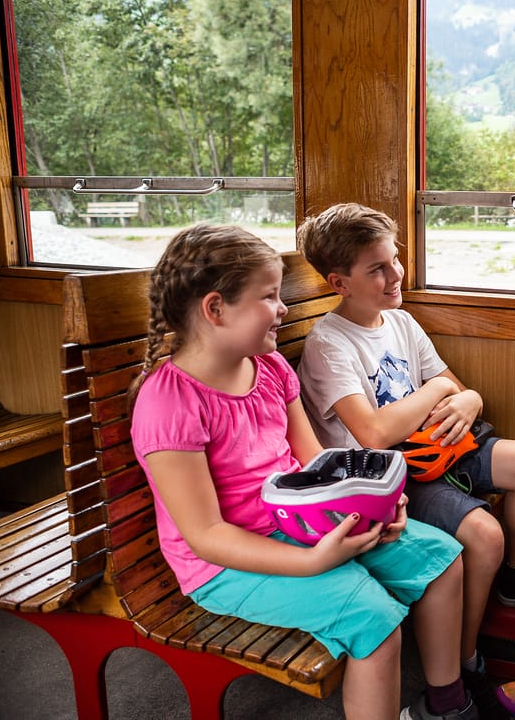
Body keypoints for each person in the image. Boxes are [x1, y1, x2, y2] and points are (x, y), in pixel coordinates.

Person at [128, 224, 476, 720]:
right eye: (269, 297)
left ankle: (447, 705)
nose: (283, 308)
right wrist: (313, 563)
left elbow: (320, 467)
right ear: (215, 309)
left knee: (443, 559)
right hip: (226, 564)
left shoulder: (269, 369)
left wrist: (376, 505)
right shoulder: (169, 402)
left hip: (302, 523)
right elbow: (206, 536)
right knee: (375, 619)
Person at [296, 203, 515, 717]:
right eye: (376, 268)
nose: (395, 273)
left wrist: (469, 399)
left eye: (394, 259)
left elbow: (455, 390)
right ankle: (465, 664)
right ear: (340, 282)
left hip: (439, 445)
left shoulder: (399, 321)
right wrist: (440, 389)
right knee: (484, 534)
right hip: (392, 475)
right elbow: (374, 432)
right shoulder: (329, 345)